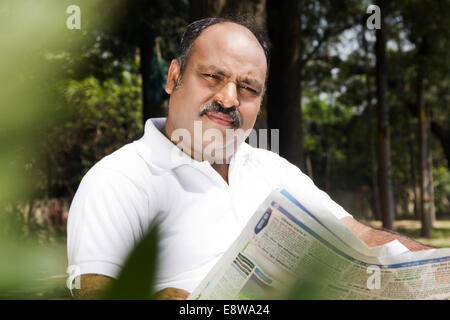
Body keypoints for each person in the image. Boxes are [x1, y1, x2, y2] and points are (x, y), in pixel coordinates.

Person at [67, 16, 431, 300]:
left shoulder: (272, 168)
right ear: (173, 76)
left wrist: (435, 262)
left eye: (248, 88)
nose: (228, 99)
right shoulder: (118, 180)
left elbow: (357, 234)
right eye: (212, 77)